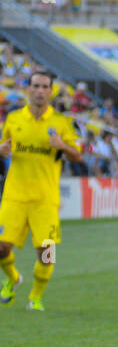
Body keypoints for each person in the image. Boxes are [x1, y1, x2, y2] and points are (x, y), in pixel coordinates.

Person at [0, 69, 83, 311]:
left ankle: (36, 298)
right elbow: (4, 147)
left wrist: (62, 146)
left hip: (45, 199)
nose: (39, 91)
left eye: (45, 87)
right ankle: (14, 279)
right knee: (1, 246)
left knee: (47, 252)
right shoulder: (13, 120)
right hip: (14, 195)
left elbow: (78, 156)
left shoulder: (61, 123)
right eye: (35, 86)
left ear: (51, 91)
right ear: (28, 89)